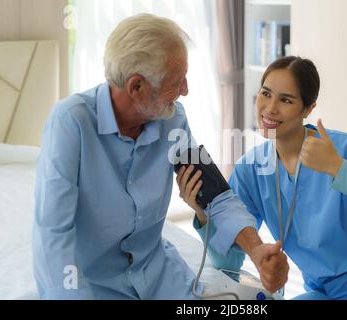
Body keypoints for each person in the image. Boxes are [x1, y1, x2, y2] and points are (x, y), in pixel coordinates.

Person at [33, 13, 288, 300]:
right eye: (176, 82)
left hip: (160, 279)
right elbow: (54, 233)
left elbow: (216, 195)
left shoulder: (173, 120)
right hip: (95, 287)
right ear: (136, 86)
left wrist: (256, 250)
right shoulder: (71, 123)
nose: (186, 91)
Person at [177, 56, 347, 300]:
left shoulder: (344, 151)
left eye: (286, 100)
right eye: (265, 94)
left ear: (308, 108)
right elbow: (229, 262)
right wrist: (203, 215)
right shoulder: (251, 171)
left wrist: (340, 170)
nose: (269, 108)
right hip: (329, 292)